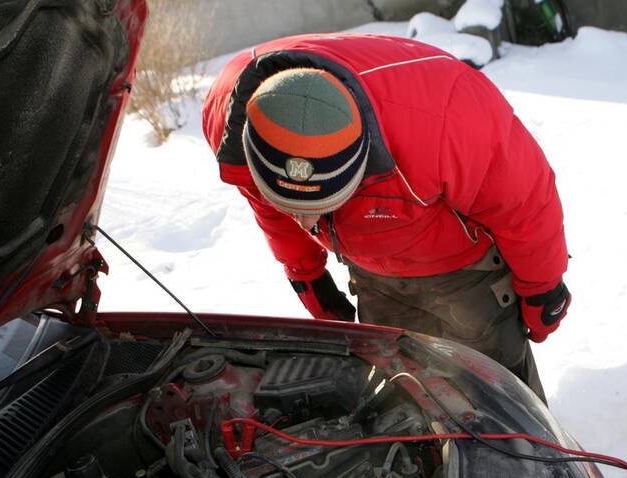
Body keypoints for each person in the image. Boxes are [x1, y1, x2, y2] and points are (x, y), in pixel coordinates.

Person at [201, 33, 570, 402]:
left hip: (464, 269)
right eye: (300, 209)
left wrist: (542, 287)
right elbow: (268, 205)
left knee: (492, 389)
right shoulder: (231, 118)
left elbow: (527, 206)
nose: (309, 220)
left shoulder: (448, 116)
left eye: (327, 204)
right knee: (403, 386)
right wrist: (307, 274)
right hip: (370, 268)